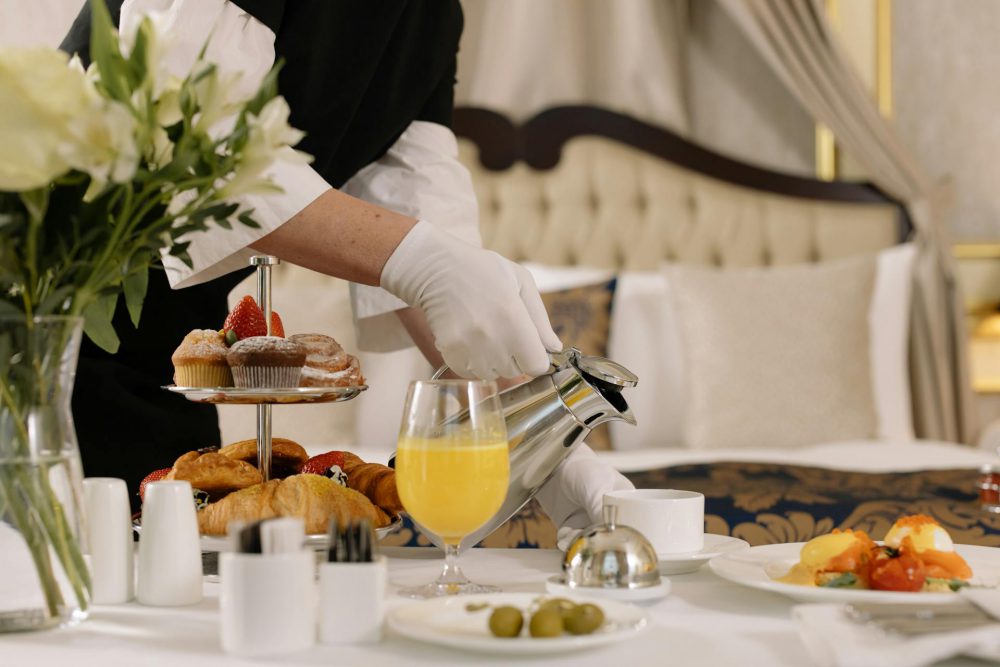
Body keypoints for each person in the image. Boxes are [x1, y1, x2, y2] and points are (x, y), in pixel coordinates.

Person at [62, 0, 632, 534]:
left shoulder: (431, 17)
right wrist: (424, 261)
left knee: (169, 581)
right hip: (45, 324)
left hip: (162, 363)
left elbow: (414, 203)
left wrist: (553, 448)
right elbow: (191, 134)